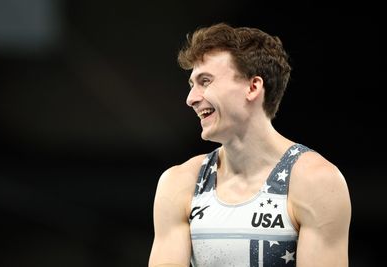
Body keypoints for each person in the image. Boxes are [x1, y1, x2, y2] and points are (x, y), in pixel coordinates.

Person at [148, 22, 351, 267]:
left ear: (253, 87)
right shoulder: (180, 183)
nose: (191, 99)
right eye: (192, 84)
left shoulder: (317, 182)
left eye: (205, 81)